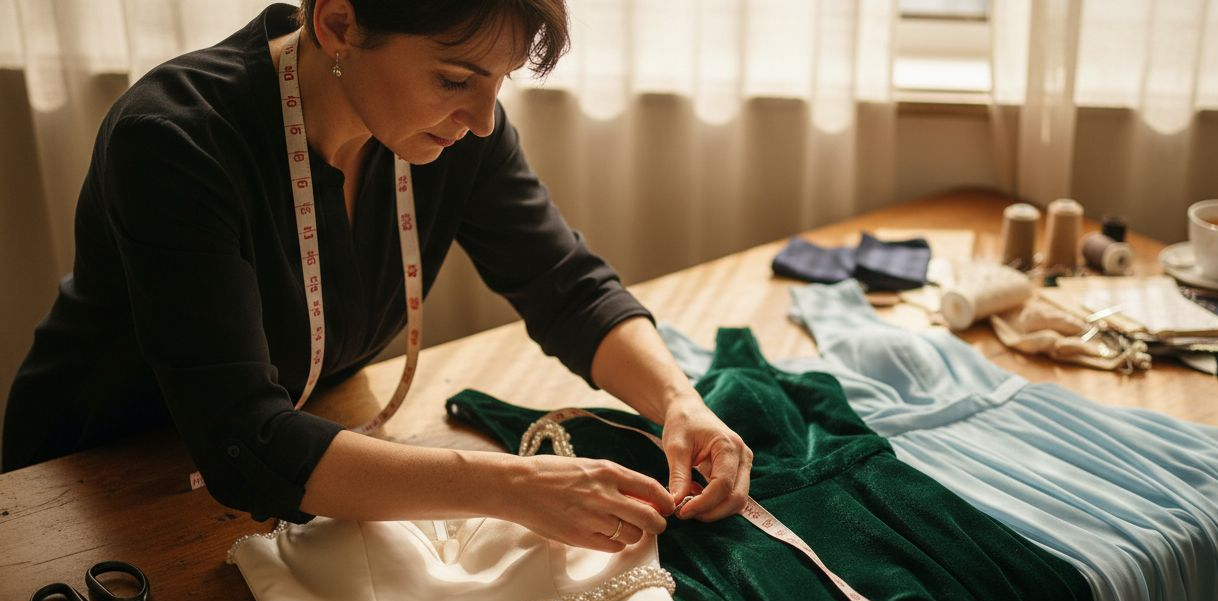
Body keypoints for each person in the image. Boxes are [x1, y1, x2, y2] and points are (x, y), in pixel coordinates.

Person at [2, 0, 752, 552]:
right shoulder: (173, 142)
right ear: (337, 23)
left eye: (498, 81)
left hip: (278, 454)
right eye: (456, 78)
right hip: (86, 484)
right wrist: (515, 488)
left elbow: (566, 284)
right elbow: (242, 442)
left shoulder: (454, 132)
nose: (485, 119)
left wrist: (678, 402)